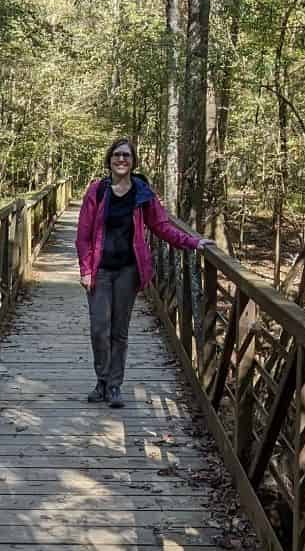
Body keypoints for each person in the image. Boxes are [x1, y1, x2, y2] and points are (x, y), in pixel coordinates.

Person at [75, 137, 212, 409]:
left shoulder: (142, 193)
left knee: (120, 331)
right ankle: (101, 380)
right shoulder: (97, 191)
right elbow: (83, 236)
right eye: (117, 155)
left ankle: (114, 386)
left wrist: (193, 242)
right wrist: (86, 269)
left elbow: (162, 226)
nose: (122, 159)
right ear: (109, 159)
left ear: (133, 161)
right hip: (100, 270)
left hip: (128, 271)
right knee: (99, 329)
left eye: (126, 155)